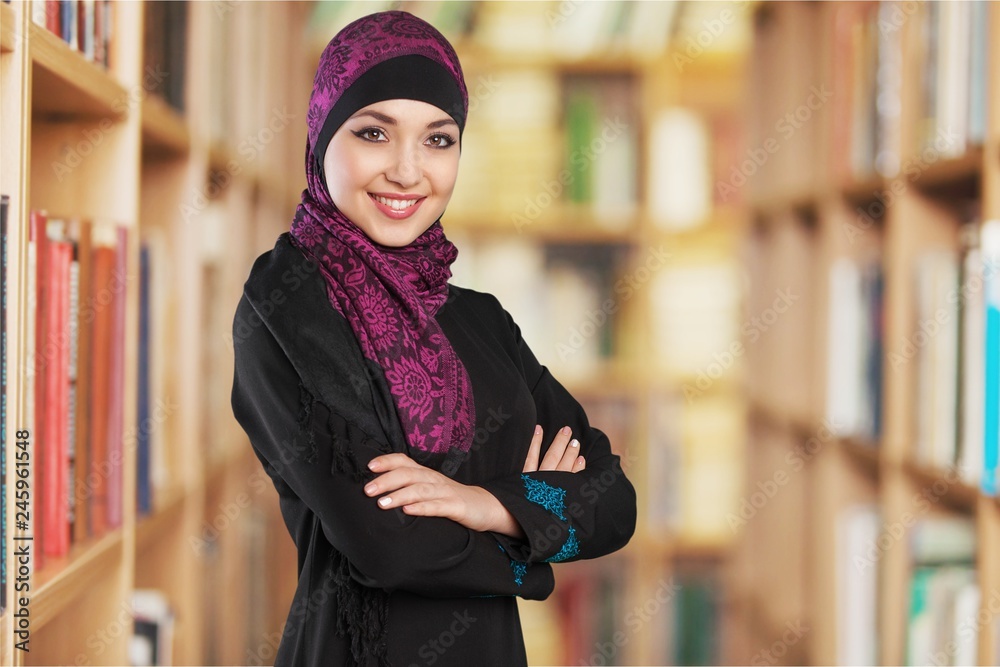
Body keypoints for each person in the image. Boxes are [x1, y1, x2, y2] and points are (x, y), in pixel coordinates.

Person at [230, 10, 637, 667]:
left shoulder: (482, 320)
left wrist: (482, 502)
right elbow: (389, 547)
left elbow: (613, 502)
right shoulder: (285, 306)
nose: (407, 171)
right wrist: (533, 535)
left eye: (438, 140)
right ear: (322, 135)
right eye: (373, 133)